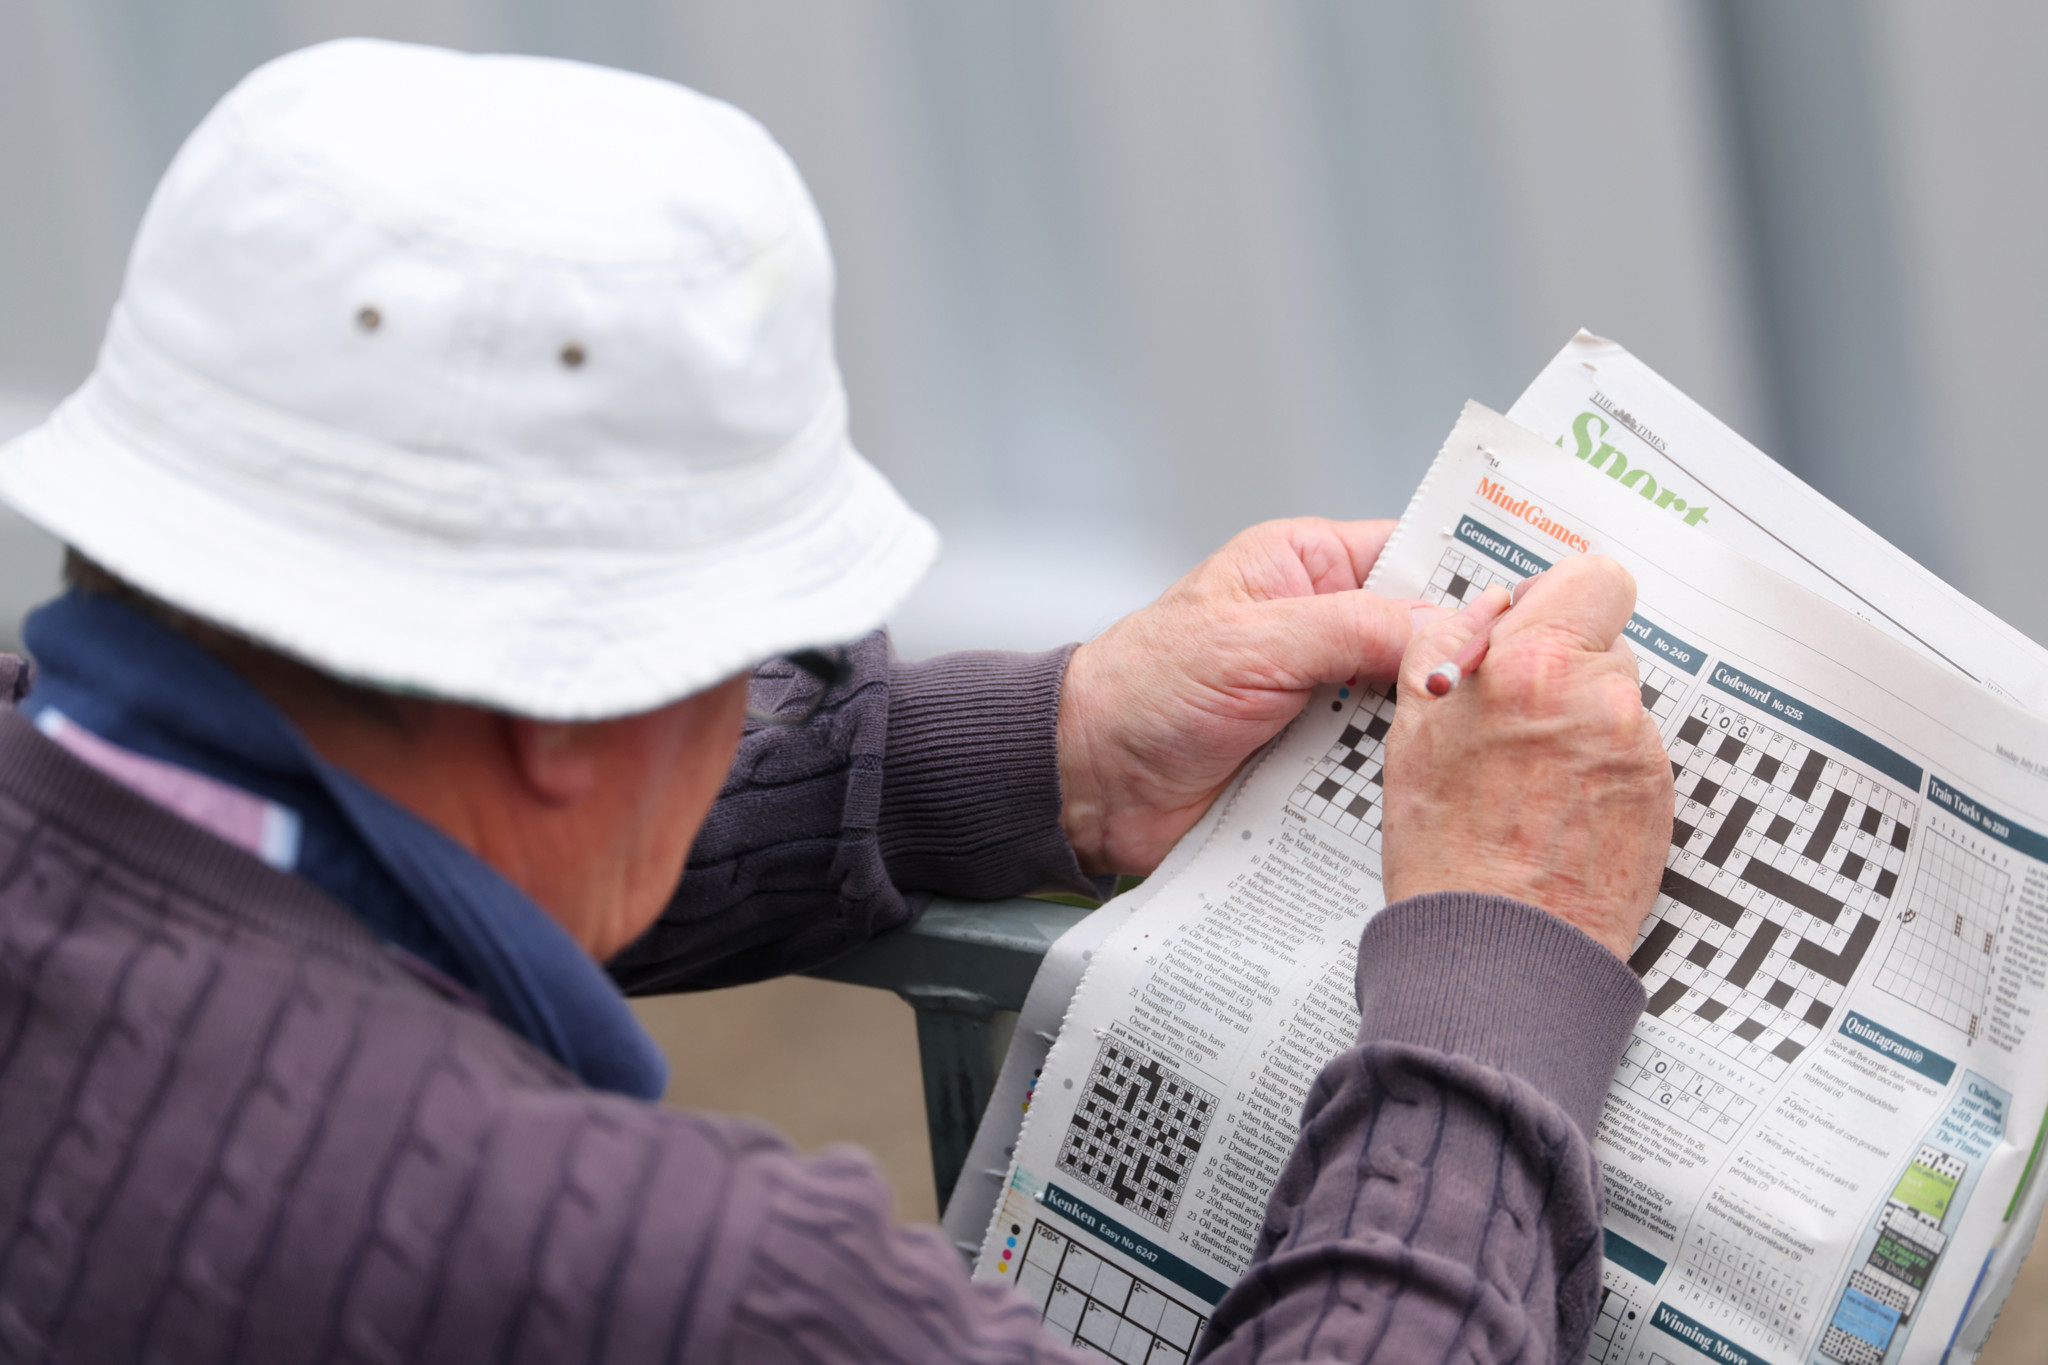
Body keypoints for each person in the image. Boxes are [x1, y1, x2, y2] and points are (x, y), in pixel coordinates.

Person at [0, 39, 1673, 1365]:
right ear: (575, 720)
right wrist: (1495, 961)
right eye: (750, 651)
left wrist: (1048, 750)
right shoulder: (667, 1282)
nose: (754, 698)